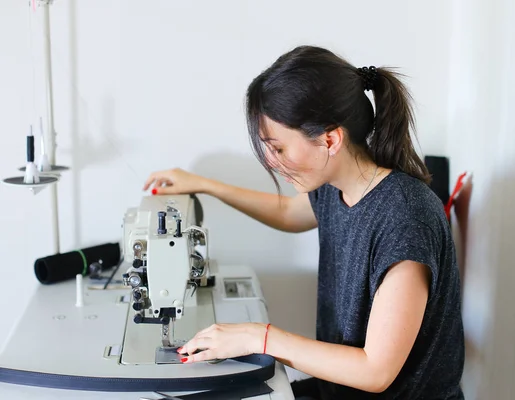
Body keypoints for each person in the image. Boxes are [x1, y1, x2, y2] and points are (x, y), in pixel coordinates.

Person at [143, 45, 465, 399]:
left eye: (278, 148)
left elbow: (376, 371)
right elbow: (288, 213)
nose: (272, 161)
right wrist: (206, 185)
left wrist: (259, 336)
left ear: (330, 139)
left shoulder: (406, 217)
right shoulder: (335, 186)